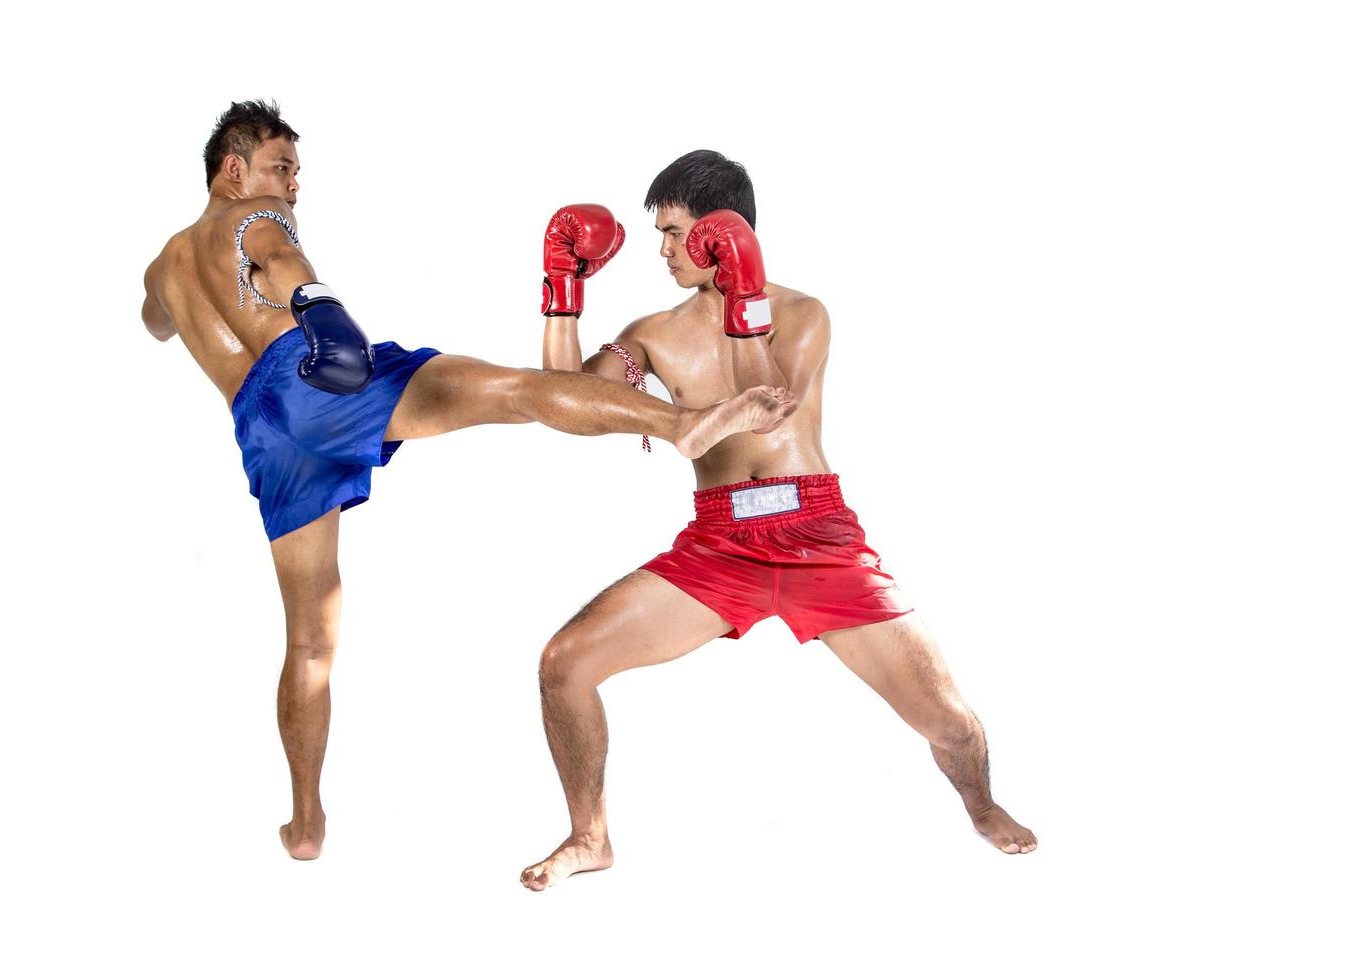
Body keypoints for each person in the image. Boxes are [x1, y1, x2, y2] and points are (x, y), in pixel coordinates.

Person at [141, 105, 795, 860]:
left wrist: (183, 306)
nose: (292, 189)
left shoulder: (163, 267)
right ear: (234, 168)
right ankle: (681, 425)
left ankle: (306, 821)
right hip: (314, 375)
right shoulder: (253, 213)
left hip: (264, 432)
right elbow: (278, 259)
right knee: (515, 390)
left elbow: (157, 320)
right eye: (282, 167)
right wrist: (327, 319)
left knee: (311, 638)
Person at [521, 150, 1036, 891]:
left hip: (817, 535)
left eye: (674, 233)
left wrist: (743, 287)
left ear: (720, 232)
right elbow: (565, 404)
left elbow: (767, 408)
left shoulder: (801, 313)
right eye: (659, 236)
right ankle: (588, 836)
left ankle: (982, 806)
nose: (662, 251)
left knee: (951, 723)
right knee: (562, 664)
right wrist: (561, 291)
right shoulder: (653, 331)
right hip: (718, 543)